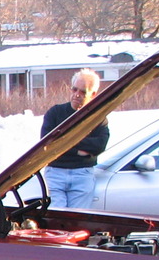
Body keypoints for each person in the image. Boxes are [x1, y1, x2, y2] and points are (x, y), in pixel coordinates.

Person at [41, 68, 109, 208]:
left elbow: (100, 145)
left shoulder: (98, 118)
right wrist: (79, 151)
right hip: (55, 173)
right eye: (74, 89)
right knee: (55, 217)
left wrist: (65, 142)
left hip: (82, 174)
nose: (77, 95)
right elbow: (47, 145)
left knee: (76, 217)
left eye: (83, 92)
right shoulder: (55, 113)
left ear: (93, 94)